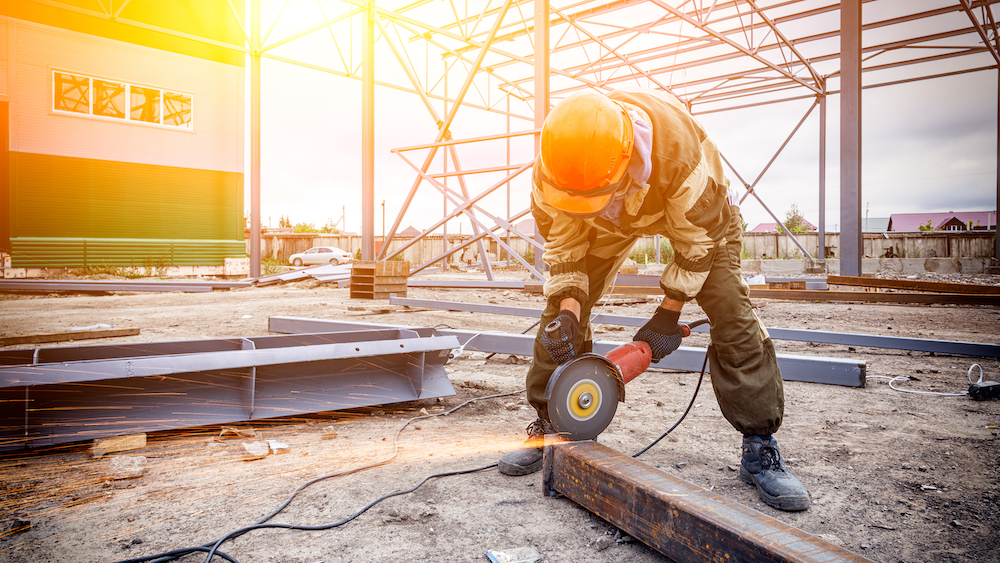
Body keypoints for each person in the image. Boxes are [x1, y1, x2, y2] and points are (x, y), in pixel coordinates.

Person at [497, 89, 810, 512]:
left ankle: (759, 443)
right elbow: (565, 248)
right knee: (557, 315)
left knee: (731, 311)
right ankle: (554, 424)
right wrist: (570, 311)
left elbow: (697, 245)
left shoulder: (684, 163)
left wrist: (668, 314)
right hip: (610, 221)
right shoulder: (556, 173)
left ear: (626, 160)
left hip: (700, 223)